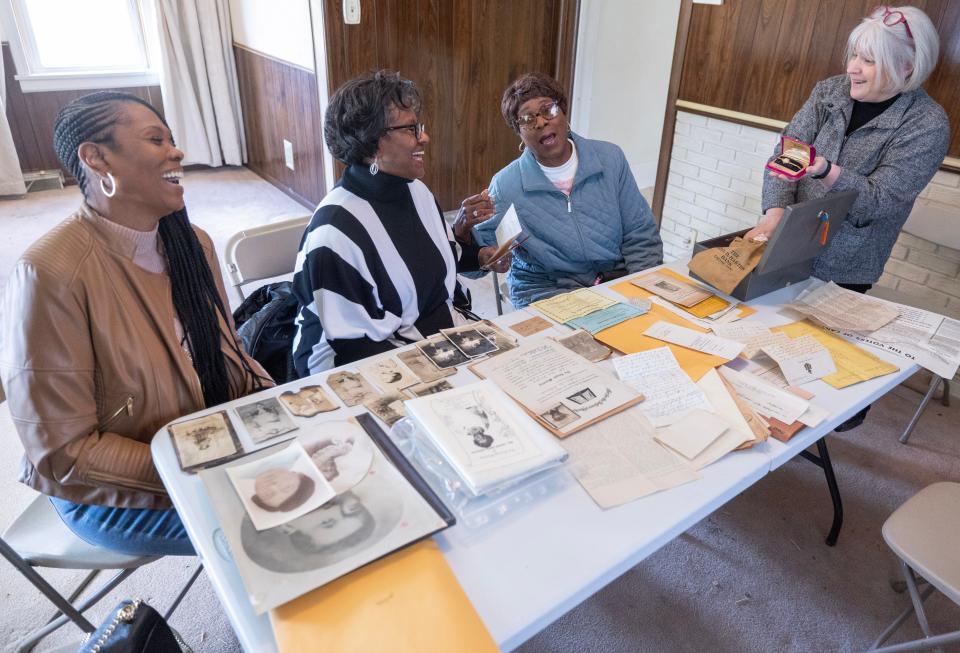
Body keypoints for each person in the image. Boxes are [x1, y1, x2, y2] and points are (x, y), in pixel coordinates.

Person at [0, 91, 271, 556]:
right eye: (155, 139)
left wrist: (279, 416)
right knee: (275, 526)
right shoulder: (51, 273)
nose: (177, 151)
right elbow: (66, 455)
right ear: (97, 158)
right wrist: (204, 466)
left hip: (202, 443)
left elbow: (229, 354)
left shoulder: (193, 244)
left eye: (172, 138)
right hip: (105, 492)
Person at [746, 6, 949, 431]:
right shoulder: (830, 91)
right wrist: (774, 213)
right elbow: (785, 157)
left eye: (869, 60)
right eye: (854, 55)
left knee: (828, 381)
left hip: (849, 259)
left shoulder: (926, 123)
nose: (853, 69)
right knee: (768, 346)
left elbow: (883, 200)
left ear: (906, 66)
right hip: (788, 237)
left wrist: (825, 170)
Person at [292, 70, 502, 375]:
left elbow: (439, 257)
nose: (424, 138)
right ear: (371, 143)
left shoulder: (415, 190)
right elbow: (354, 347)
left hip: (431, 338)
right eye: (411, 129)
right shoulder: (335, 232)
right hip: (359, 365)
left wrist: (481, 257)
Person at [468, 72, 663, 307]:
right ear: (518, 131)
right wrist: (467, 237)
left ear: (563, 111)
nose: (541, 123)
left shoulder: (611, 159)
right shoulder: (506, 184)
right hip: (545, 291)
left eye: (548, 110)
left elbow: (640, 234)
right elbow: (477, 261)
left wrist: (640, 292)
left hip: (613, 282)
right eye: (528, 119)